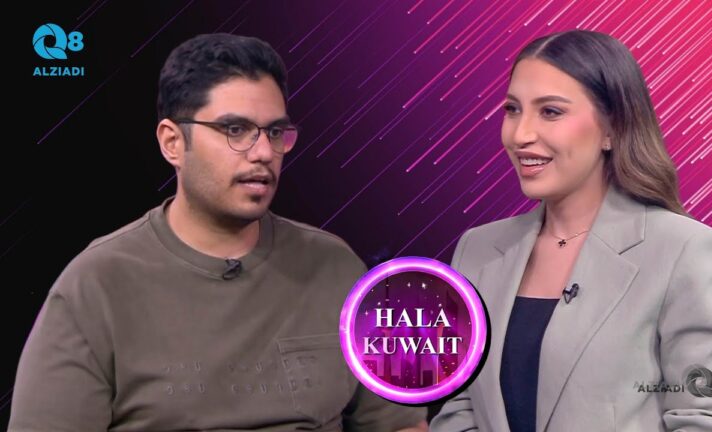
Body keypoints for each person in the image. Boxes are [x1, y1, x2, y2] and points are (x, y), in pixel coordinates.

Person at [10, 33, 426, 432]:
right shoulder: (96, 285)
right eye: (235, 130)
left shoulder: (336, 268)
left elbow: (399, 424)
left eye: (275, 132)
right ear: (173, 142)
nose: (263, 152)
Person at [430, 30, 712, 432]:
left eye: (550, 112)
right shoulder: (476, 250)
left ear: (611, 128)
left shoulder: (686, 250)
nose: (520, 135)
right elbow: (459, 408)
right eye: (513, 109)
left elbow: (708, 420)